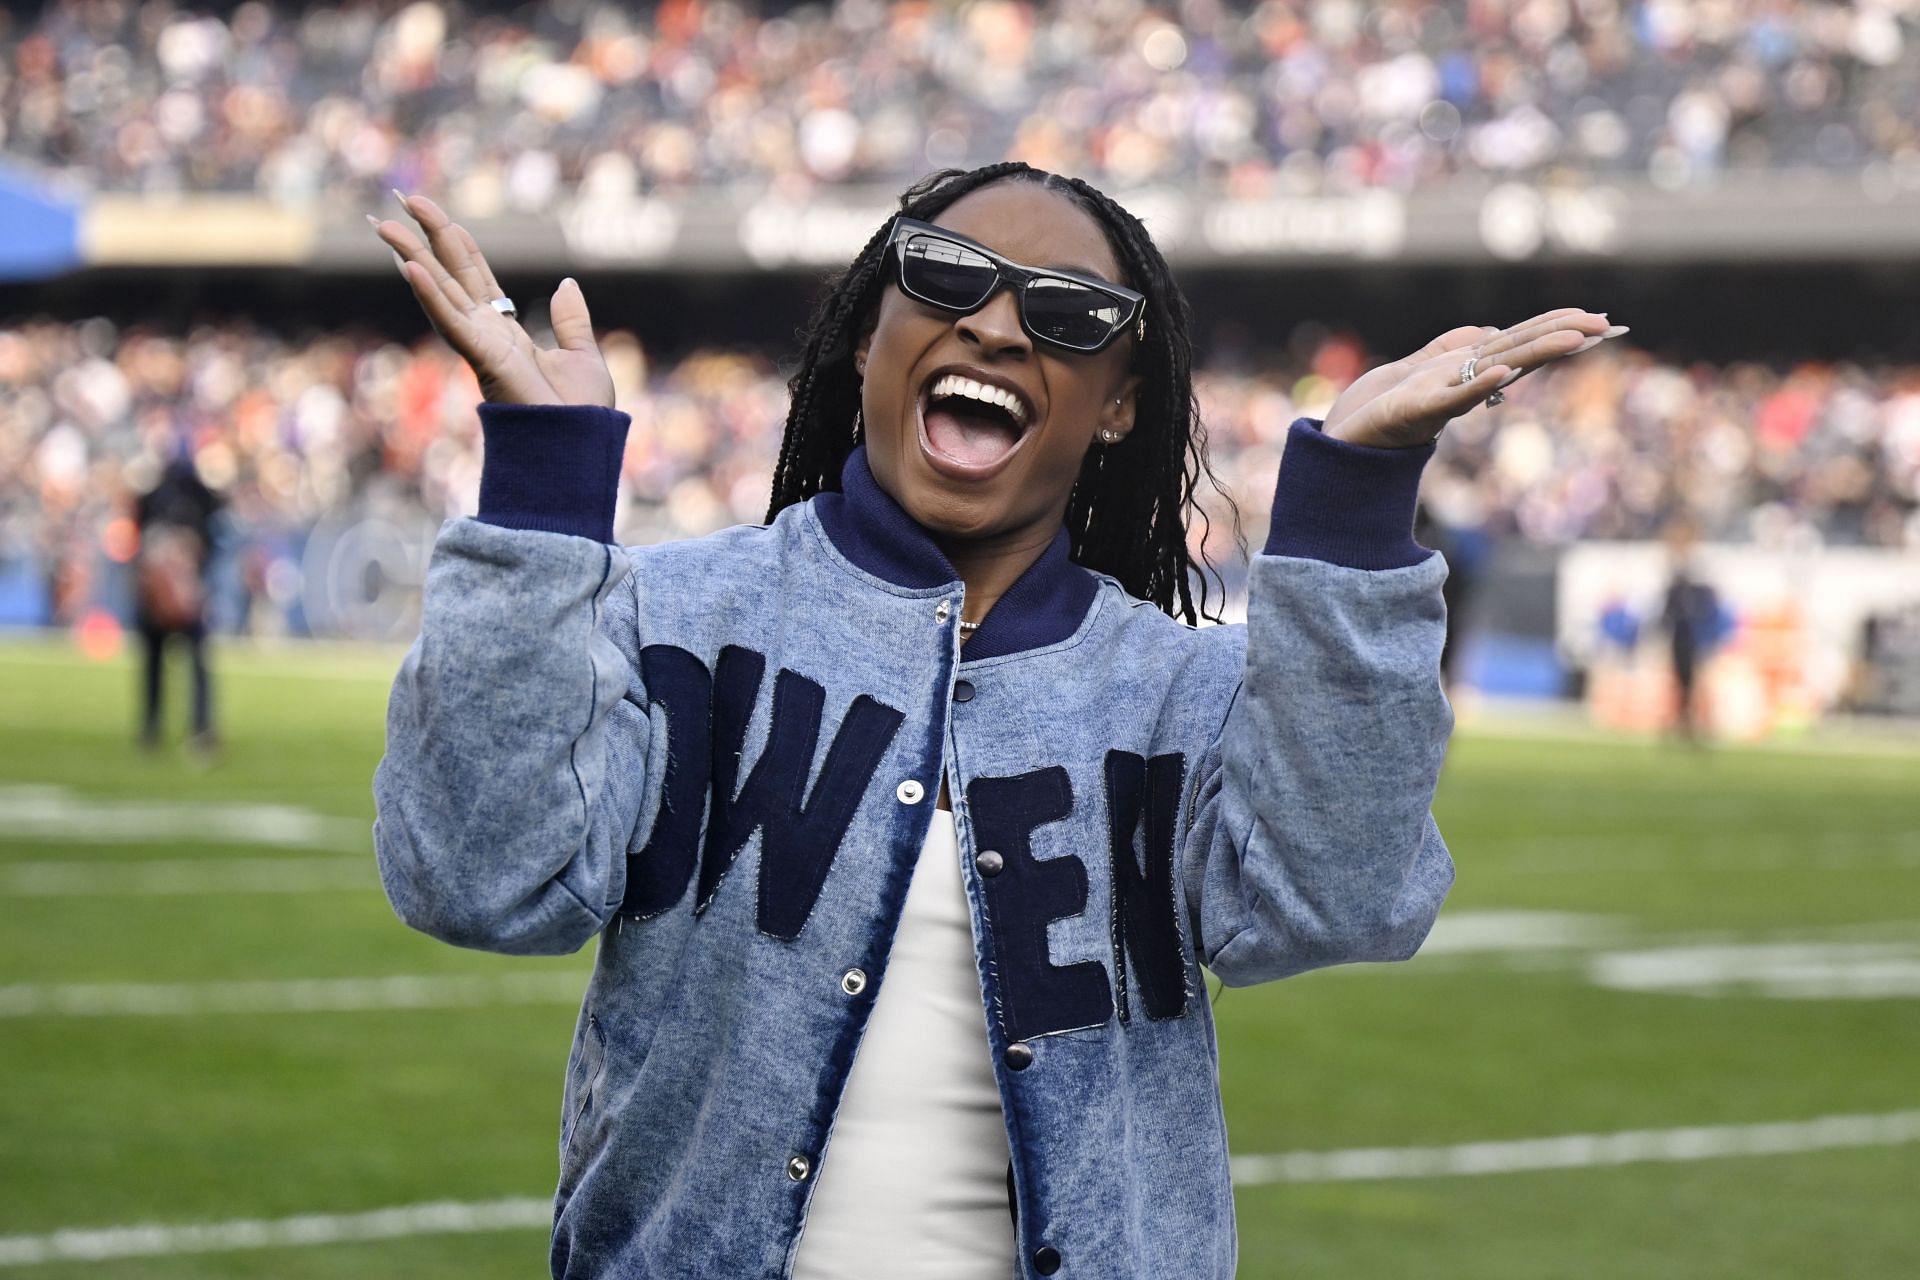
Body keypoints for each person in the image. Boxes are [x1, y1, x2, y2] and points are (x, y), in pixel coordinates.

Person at [368, 163, 1623, 1279]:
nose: (998, 321)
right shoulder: (677, 619)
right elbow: (477, 878)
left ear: (1121, 404)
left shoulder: (1174, 688)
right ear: (869, 337)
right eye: (947, 273)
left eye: (1071, 316)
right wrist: (542, 481)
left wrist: (1350, 498)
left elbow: (1334, 899)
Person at [132, 454, 222, 753]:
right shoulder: (199, 500)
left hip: (177, 595)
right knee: (190, 663)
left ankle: (155, 729)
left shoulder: (156, 499)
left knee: (160, 663)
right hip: (177, 594)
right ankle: (196, 729)